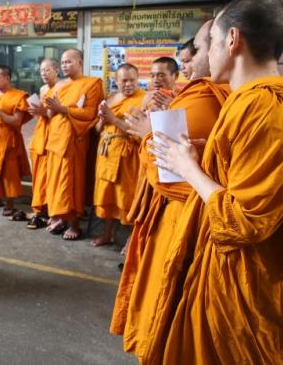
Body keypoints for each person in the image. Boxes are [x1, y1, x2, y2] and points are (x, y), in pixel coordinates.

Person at [151, 0, 283, 365]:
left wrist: (189, 169)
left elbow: (245, 219)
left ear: (233, 40)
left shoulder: (261, 104)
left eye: (206, 44)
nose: (202, 55)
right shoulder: (247, 100)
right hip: (229, 267)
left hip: (245, 278)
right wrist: (207, 152)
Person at [110, 20, 230, 363]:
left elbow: (169, 174)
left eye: (201, 48)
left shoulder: (207, 96)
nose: (191, 59)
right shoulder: (209, 96)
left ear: (232, 41)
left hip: (191, 218)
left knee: (174, 310)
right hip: (198, 208)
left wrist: (148, 133)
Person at [44, 49, 104, 240]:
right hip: (55, 139)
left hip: (73, 140)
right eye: (62, 62)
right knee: (55, 181)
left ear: (80, 62)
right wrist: (47, 110)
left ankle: (75, 224)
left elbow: (89, 114)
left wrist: (62, 108)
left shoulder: (92, 84)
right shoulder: (59, 85)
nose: (64, 65)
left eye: (69, 61)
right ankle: (61, 217)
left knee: (70, 182)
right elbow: (49, 114)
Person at [91, 63, 145, 247]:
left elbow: (139, 131)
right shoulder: (111, 99)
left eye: (132, 80)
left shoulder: (144, 100)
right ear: (116, 81)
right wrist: (101, 118)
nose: (128, 84)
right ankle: (108, 234)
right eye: (124, 80)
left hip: (126, 156)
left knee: (126, 197)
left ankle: (131, 240)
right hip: (106, 153)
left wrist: (113, 119)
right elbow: (98, 130)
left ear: (138, 80)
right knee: (107, 197)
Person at [0, 66, 31, 216]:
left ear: (7, 78)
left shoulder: (19, 96)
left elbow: (16, 121)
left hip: (8, 139)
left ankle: (10, 203)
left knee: (9, 172)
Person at [26, 58, 63, 229]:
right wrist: (37, 111)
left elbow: (57, 114)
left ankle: (51, 208)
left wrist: (43, 111)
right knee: (39, 173)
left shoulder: (62, 88)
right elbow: (44, 113)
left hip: (54, 134)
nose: (44, 73)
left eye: (48, 70)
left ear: (57, 70)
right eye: (41, 70)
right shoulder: (42, 89)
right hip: (42, 132)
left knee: (51, 174)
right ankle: (40, 207)